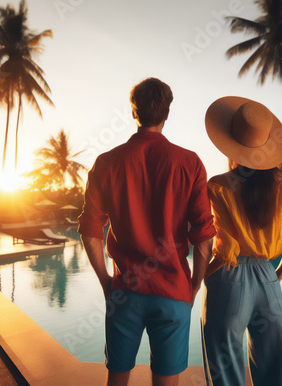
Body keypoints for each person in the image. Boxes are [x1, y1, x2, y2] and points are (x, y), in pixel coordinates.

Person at [78, 77, 216, 386]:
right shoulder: (190, 163)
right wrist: (194, 286)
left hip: (124, 290)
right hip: (173, 291)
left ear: (133, 112)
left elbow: (90, 231)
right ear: (167, 114)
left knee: (116, 379)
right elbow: (205, 236)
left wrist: (106, 282)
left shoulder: (106, 162)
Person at [201, 96, 282, 386]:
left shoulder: (218, 186)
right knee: (276, 369)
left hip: (229, 279)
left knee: (225, 368)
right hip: (267, 279)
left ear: (230, 143)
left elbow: (223, 250)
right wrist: (276, 276)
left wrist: (201, 275)